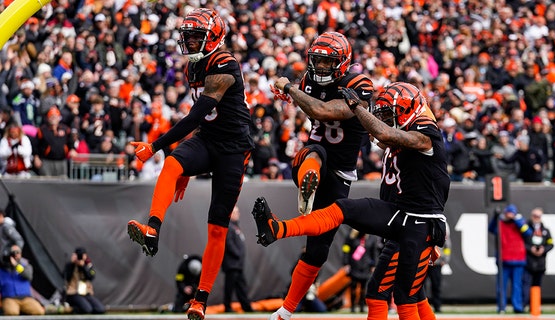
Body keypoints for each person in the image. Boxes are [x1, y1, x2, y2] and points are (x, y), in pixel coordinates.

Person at [253, 82, 450, 320]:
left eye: (390, 114)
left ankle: (280, 229)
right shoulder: (407, 131)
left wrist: (356, 107)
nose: (386, 119)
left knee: (406, 299)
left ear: (408, 111)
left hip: (419, 223)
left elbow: (384, 134)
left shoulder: (426, 133)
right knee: (383, 290)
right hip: (401, 217)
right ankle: (279, 229)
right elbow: (382, 137)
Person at [126, 8, 254, 320]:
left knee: (217, 228)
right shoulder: (194, 67)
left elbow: (198, 113)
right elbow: (204, 121)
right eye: (189, 36)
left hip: (233, 151)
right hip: (208, 138)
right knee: (171, 165)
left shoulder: (225, 64)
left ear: (214, 37)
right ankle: (152, 230)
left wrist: (155, 145)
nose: (191, 41)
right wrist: (184, 165)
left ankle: (200, 300)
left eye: (198, 36)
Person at [268, 31, 374, 320]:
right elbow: (305, 103)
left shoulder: (358, 85)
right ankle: (307, 184)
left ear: (342, 63)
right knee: (315, 151)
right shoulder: (309, 81)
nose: (321, 68)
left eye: (328, 63)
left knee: (318, 251)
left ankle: (285, 311)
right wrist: (287, 91)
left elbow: (323, 110)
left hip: (341, 173)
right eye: (317, 61)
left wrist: (288, 88)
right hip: (311, 160)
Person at [488, 204, 532, 314]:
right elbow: (491, 229)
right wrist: (495, 217)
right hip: (504, 260)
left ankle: (518, 307)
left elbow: (528, 233)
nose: (509, 215)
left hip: (518, 259)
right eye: (508, 213)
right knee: (501, 286)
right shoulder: (500, 223)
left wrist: (516, 220)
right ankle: (501, 307)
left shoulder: (520, 222)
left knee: (517, 286)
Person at [221, 206, 253, 313]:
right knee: (229, 287)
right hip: (232, 264)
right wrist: (238, 253)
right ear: (231, 214)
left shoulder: (236, 227)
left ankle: (246, 307)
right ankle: (227, 307)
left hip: (237, 264)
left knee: (241, 286)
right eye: (236, 212)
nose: (238, 214)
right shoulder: (229, 227)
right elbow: (228, 243)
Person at [522, 208, 553, 311]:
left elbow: (551, 244)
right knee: (526, 285)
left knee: (537, 286)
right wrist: (530, 249)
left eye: (538, 216)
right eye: (534, 215)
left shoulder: (545, 230)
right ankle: (523, 305)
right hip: (528, 262)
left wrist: (543, 250)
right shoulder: (526, 229)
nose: (536, 218)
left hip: (540, 263)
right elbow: (521, 242)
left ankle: (535, 306)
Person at [0, 244, 45, 315]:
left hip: (26, 298)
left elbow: (28, 275)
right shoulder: (2, 270)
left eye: (18, 252)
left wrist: (16, 265)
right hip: (9, 298)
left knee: (39, 311)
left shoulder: (26, 266)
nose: (15, 255)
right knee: (12, 312)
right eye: (13, 252)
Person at [342, 228, 378, 313]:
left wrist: (374, 265)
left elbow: (374, 252)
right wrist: (346, 263)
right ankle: (353, 307)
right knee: (353, 286)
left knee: (363, 288)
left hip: (366, 266)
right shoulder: (351, 236)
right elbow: (346, 250)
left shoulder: (371, 238)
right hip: (354, 265)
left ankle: (362, 306)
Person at [62, 247, 105, 314]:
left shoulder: (88, 265)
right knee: (87, 309)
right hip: (73, 293)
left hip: (85, 293)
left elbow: (91, 276)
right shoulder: (70, 265)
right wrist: (72, 264)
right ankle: (72, 309)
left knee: (100, 309)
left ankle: (79, 307)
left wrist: (83, 266)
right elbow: (65, 277)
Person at [424, 221, 451, 313]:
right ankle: (422, 306)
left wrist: (445, 260)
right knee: (421, 286)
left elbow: (447, 246)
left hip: (436, 262)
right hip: (425, 261)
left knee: (436, 285)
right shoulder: (423, 225)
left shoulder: (442, 227)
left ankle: (437, 306)